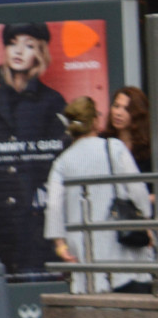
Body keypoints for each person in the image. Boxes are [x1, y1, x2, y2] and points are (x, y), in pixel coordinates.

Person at [0, 21, 67, 276]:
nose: (18, 51)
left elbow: (58, 159)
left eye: (29, 45)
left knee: (29, 276)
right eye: (12, 43)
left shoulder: (52, 101)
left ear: (39, 53)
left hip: (31, 210)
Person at [45, 96, 153, 293]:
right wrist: (146, 225)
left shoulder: (62, 162)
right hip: (122, 254)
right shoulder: (113, 147)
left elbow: (53, 206)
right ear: (95, 121)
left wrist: (61, 246)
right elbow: (137, 190)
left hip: (86, 258)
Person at [101, 85, 152, 173]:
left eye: (126, 109)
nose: (118, 113)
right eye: (116, 106)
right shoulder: (102, 141)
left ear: (137, 113)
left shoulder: (149, 146)